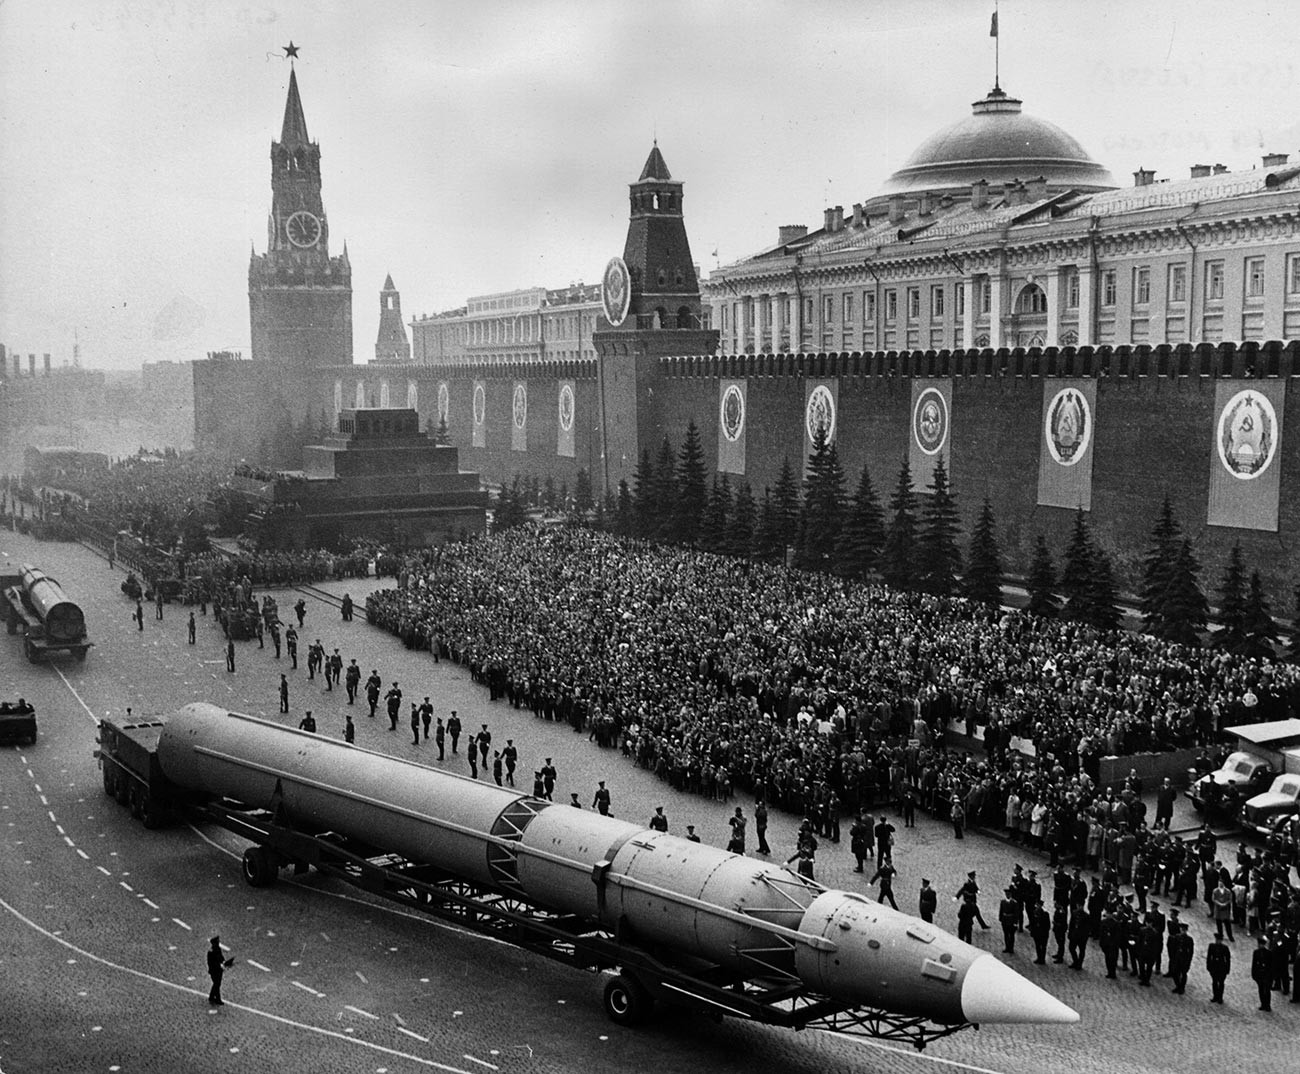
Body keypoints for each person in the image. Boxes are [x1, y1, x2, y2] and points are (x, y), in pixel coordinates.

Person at [207, 936, 234, 1005]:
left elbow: (221, 957)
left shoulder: (218, 949)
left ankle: (211, 996)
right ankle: (217, 999)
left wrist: (225, 962)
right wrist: (220, 965)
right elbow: (211, 963)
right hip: (214, 971)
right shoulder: (211, 952)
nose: (218, 943)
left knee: (217, 984)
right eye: (217, 942)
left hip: (219, 970)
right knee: (217, 984)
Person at [1169, 922, 1194, 995]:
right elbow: (1173, 948)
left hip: (1184, 959)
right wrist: (1173, 958)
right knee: (1174, 973)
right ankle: (1178, 985)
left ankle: (1182, 987)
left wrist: (1188, 961)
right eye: (1182, 930)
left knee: (1183, 974)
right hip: (1177, 958)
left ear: (1186, 931)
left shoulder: (1189, 939)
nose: (1182, 931)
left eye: (1184, 930)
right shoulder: (1177, 937)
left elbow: (1191, 952)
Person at [1206, 933, 1231, 1003]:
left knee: (1221, 983)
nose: (1218, 941)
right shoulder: (1211, 946)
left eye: (1219, 940)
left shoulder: (1225, 948)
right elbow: (1209, 957)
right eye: (1217, 940)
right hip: (1214, 967)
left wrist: (1227, 969)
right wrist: (1208, 966)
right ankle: (1215, 996)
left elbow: (1228, 959)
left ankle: (1220, 997)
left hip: (1222, 968)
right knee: (1214, 982)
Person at [1252, 935, 1274, 1010]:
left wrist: (1271, 976)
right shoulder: (1256, 952)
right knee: (1261, 990)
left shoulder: (1269, 953)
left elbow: (1271, 965)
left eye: (1260, 944)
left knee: (1267, 990)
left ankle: (1268, 1005)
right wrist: (1254, 974)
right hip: (1259, 974)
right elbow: (1254, 964)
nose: (1259, 945)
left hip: (1267, 974)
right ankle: (1263, 1004)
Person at [1028, 899, 1051, 965]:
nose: (1037, 906)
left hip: (1043, 933)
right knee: (1037, 946)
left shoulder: (1045, 914)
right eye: (1036, 905)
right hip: (1036, 933)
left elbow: (1048, 925)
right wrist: (1032, 932)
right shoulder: (1034, 912)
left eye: (1038, 905)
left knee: (1043, 947)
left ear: (1041, 906)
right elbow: (1032, 923)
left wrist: (1045, 932)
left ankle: (1042, 959)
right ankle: (1039, 958)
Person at [999, 888, 1021, 954]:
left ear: (1011, 895)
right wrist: (1001, 918)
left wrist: (1015, 922)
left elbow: (1016, 913)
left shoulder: (1014, 903)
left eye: (1008, 894)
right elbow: (1001, 911)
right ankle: (1007, 947)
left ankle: (1011, 948)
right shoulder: (1002, 902)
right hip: (1005, 920)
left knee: (1011, 935)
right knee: (1006, 935)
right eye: (1006, 894)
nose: (1007, 895)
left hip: (1011, 920)